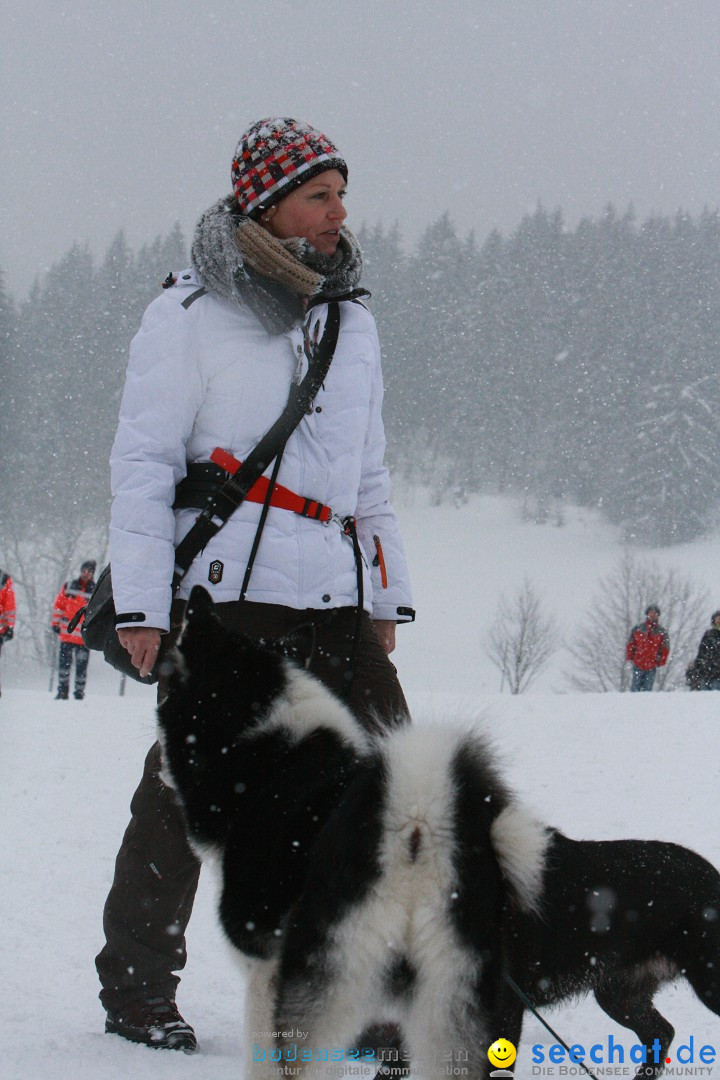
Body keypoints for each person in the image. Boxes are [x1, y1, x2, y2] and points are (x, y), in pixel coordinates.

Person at [95, 117, 415, 1053]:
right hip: (229, 600)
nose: (339, 213)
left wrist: (384, 598)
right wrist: (147, 607)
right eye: (319, 195)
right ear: (266, 204)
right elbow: (144, 467)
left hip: (334, 599)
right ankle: (137, 987)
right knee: (182, 803)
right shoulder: (188, 316)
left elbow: (370, 479)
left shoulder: (351, 323)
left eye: (341, 194)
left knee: (388, 795)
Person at [51, 560, 96, 700]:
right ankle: (62, 690)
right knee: (64, 666)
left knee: (81, 668)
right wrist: (55, 624)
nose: (85, 574)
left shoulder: (95, 590)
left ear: (92, 573)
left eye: (89, 571)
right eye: (84, 570)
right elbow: (59, 606)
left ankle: (79, 692)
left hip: (83, 638)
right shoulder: (69, 586)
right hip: (67, 635)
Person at [625, 604, 669, 692]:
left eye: (655, 613)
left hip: (652, 665)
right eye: (651, 612)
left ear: (658, 615)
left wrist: (660, 661)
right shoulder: (638, 629)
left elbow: (665, 648)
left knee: (647, 691)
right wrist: (630, 657)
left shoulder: (662, 632)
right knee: (634, 690)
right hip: (638, 663)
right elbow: (631, 644)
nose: (653, 615)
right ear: (647, 614)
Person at [689, 611, 720, 690]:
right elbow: (701, 651)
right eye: (718, 618)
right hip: (706, 670)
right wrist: (698, 665)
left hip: (717, 673)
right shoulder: (708, 634)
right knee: (703, 696)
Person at [0, 568, 17, 697]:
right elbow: (9, 605)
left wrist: (9, 627)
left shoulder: (4, 579)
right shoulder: (4, 579)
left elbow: (9, 605)